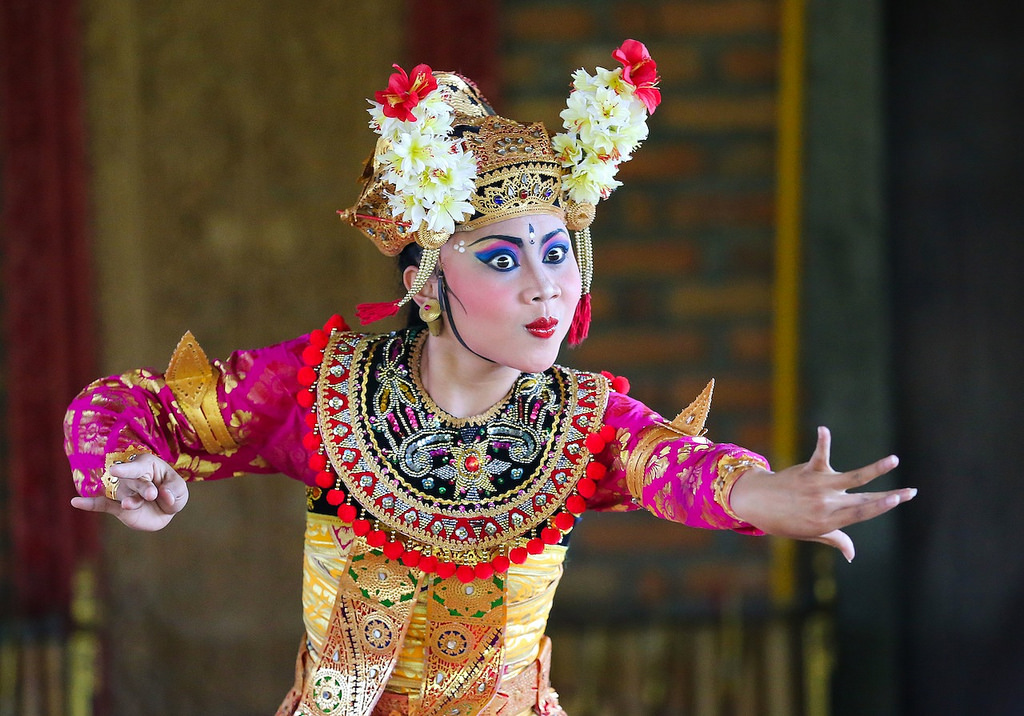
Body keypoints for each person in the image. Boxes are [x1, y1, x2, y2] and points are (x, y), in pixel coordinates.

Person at [65, 41, 915, 716]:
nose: (544, 286)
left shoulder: (584, 421)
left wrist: (757, 494)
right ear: (427, 281)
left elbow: (669, 463)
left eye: (556, 252)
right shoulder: (321, 389)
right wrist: (123, 464)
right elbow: (137, 408)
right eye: (502, 258)